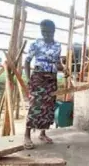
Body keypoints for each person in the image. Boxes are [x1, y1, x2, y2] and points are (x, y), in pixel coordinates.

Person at [24, 19, 67, 149]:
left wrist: (64, 68)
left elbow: (57, 63)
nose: (46, 34)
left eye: (49, 32)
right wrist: (28, 79)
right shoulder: (36, 44)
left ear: (54, 31)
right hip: (38, 77)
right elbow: (27, 62)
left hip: (51, 79)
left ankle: (42, 133)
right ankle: (27, 135)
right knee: (35, 106)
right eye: (43, 32)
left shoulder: (58, 46)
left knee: (48, 107)